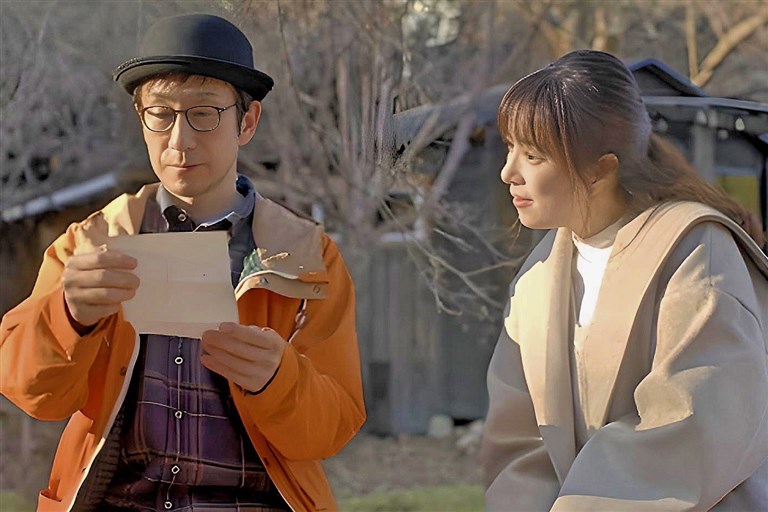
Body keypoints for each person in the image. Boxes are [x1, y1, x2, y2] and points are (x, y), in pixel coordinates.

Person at [0, 14, 365, 512]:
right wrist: (69, 316)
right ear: (141, 120)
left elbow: (332, 429)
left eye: (204, 114)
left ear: (248, 122)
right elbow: (34, 395)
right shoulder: (91, 243)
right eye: (160, 114)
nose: (179, 140)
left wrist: (278, 379)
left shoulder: (307, 258)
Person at [480, 49, 767, 511]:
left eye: (532, 155)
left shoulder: (694, 250)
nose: (508, 172)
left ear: (601, 168)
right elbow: (519, 441)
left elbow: (688, 425)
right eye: (509, 148)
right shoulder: (538, 276)